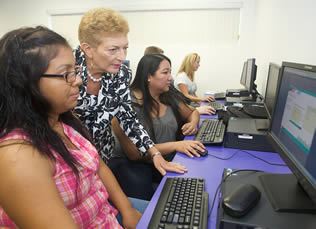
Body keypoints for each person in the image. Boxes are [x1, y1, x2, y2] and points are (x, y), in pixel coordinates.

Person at [0, 26, 148, 229]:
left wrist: (127, 209)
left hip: (108, 215)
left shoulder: (65, 120)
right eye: (65, 74)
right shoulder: (19, 156)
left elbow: (97, 165)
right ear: (26, 83)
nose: (78, 80)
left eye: (75, 71)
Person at [73, 7, 186, 176]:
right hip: (69, 159)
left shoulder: (121, 74)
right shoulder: (66, 71)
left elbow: (127, 117)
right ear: (88, 49)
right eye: (113, 49)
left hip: (102, 157)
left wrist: (154, 152)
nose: (122, 57)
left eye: (125, 48)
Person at [110, 54, 207, 200]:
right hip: (136, 164)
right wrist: (176, 145)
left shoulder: (167, 94)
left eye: (170, 72)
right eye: (165, 72)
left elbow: (193, 113)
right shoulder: (126, 105)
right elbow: (135, 154)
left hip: (165, 157)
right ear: (149, 76)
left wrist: (192, 124)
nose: (170, 77)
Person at [144, 47, 215, 115]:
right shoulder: (181, 77)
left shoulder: (168, 86)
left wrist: (199, 104)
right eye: (165, 72)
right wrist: (196, 108)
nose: (170, 78)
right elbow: (182, 98)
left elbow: (178, 100)